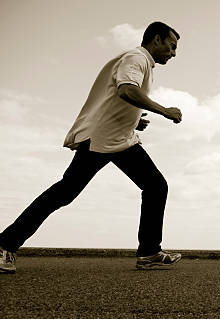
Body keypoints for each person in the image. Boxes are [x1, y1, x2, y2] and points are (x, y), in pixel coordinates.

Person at [0, 21, 184, 273]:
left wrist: (135, 119)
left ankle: (149, 251)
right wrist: (164, 110)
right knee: (64, 193)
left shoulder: (144, 63)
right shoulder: (136, 58)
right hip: (100, 140)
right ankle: (4, 244)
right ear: (156, 40)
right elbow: (126, 90)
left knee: (155, 186)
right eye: (171, 46)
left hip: (121, 139)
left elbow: (120, 96)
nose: (174, 53)